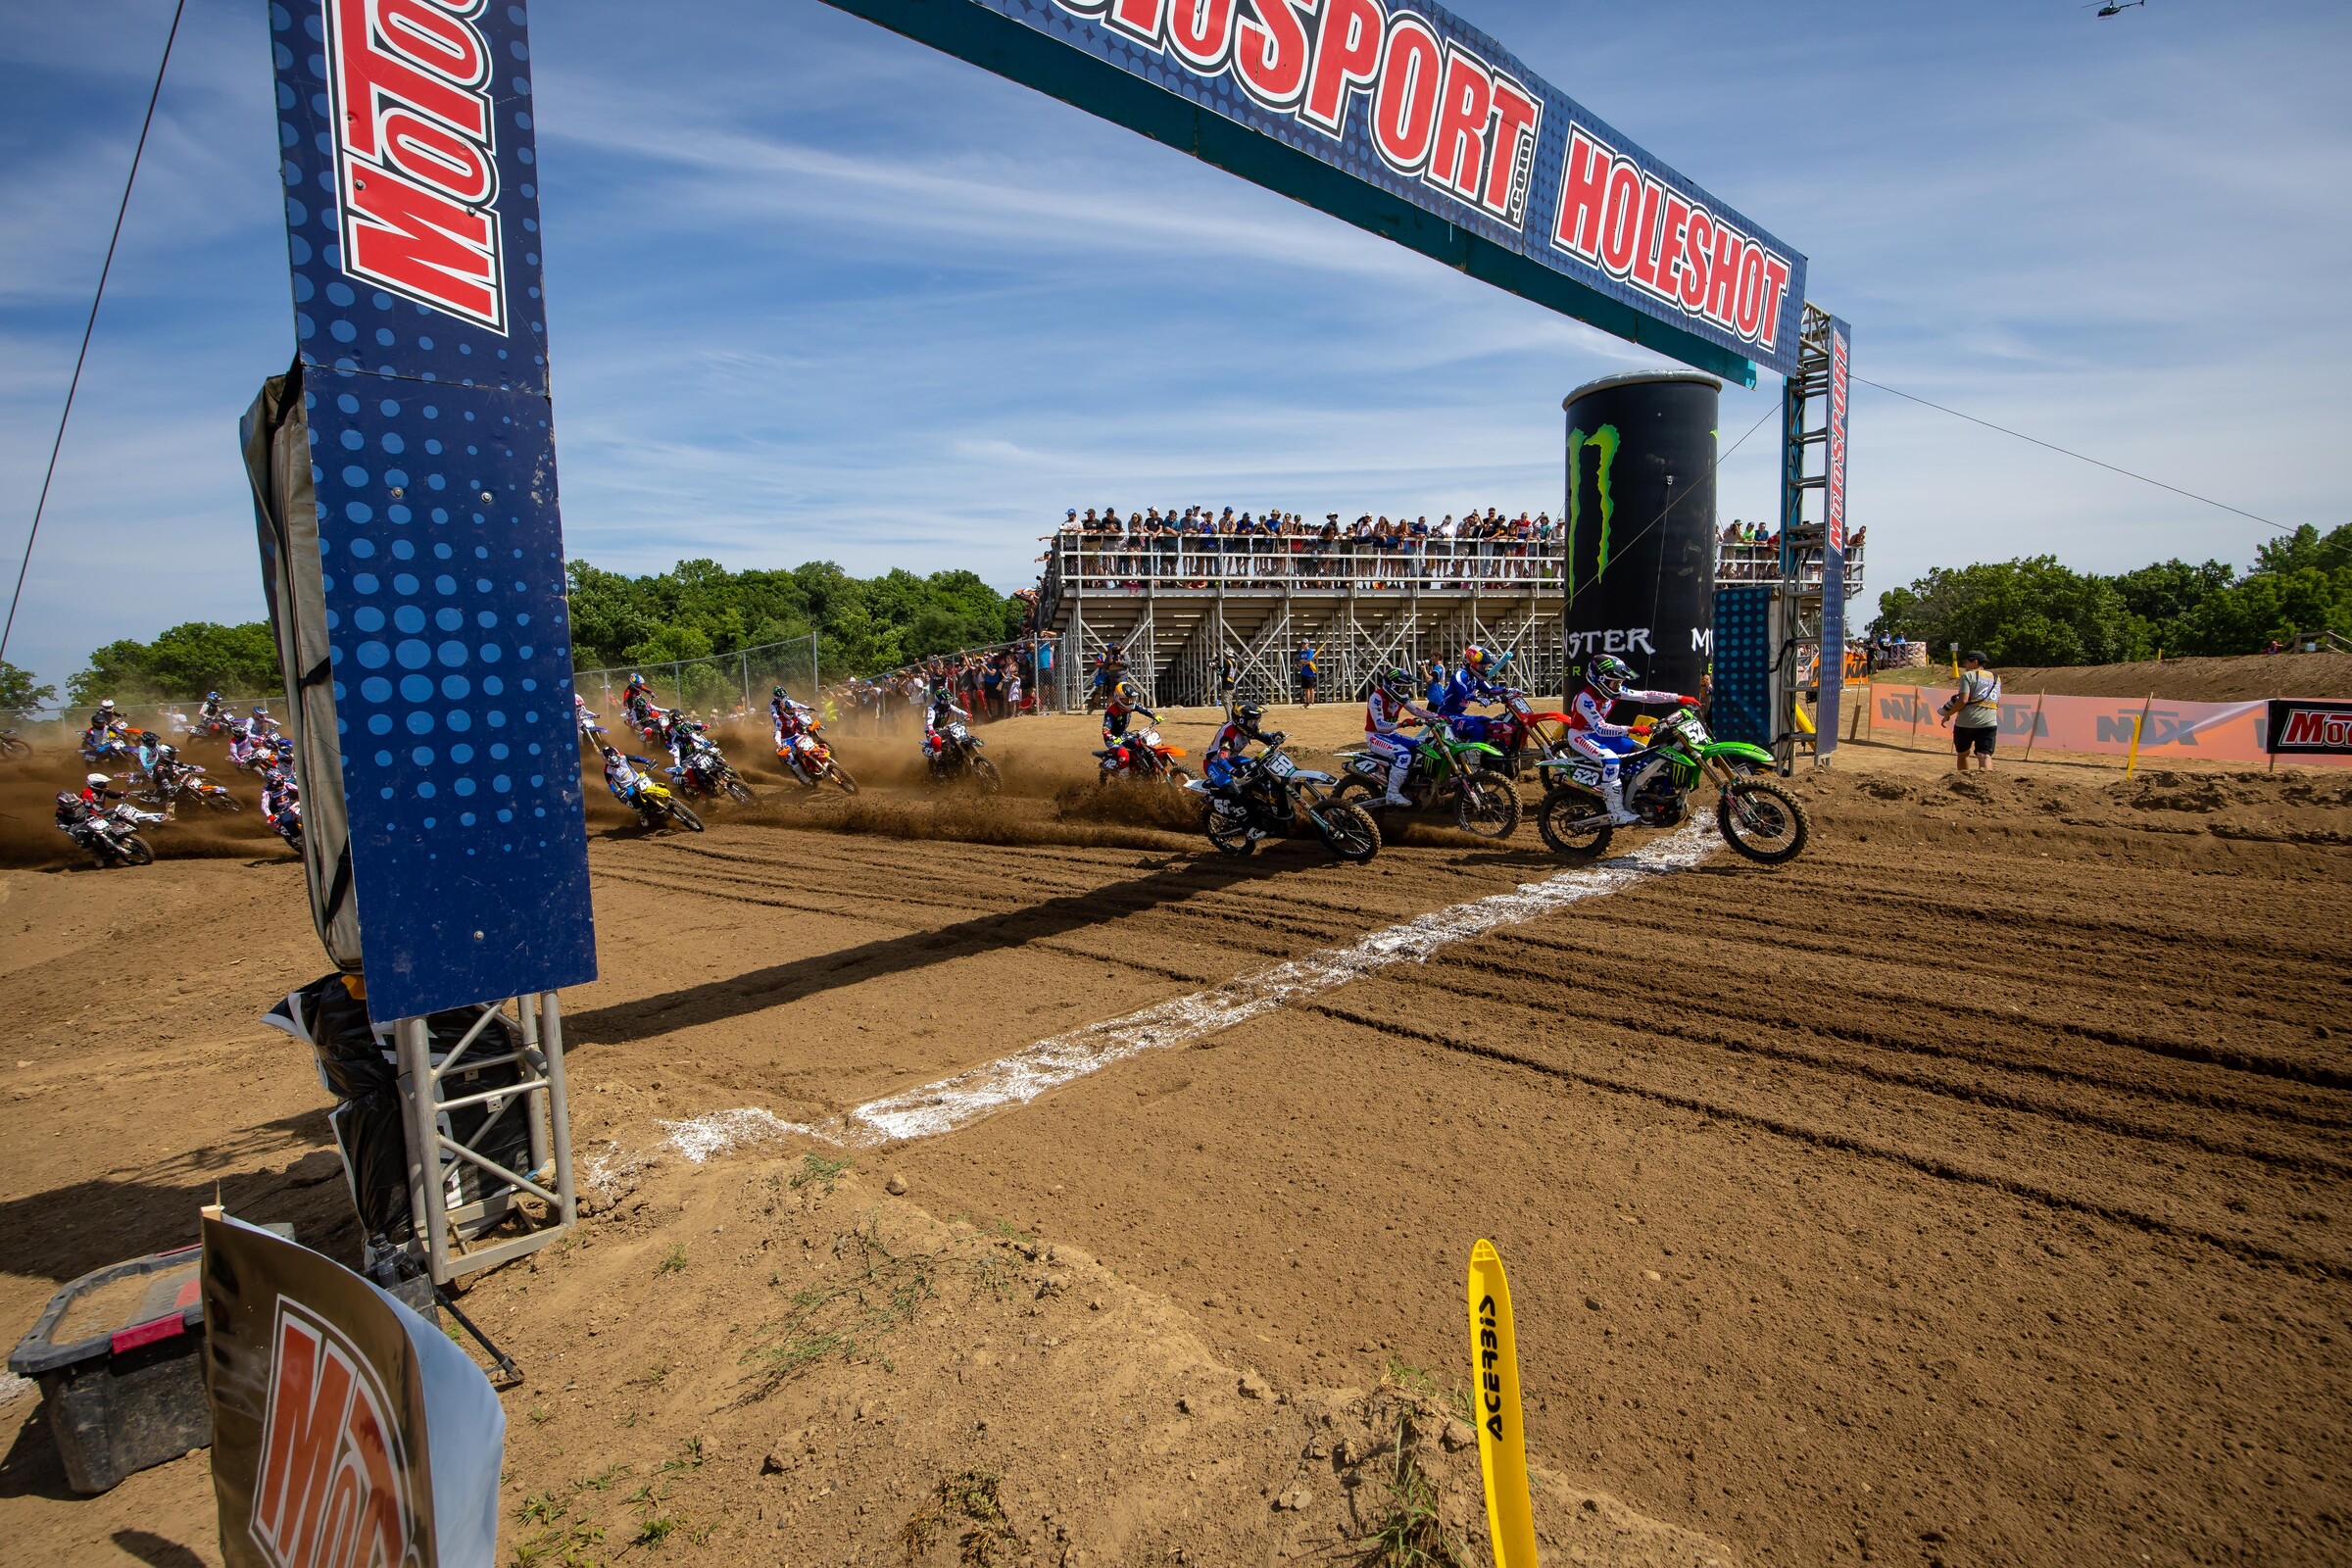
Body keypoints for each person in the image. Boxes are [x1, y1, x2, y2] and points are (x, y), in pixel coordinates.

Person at [1562, 654, 1696, 826]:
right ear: (1600, 680)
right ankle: (1616, 812)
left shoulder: (1614, 692)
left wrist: (1678, 698)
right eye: (1615, 682)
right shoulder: (1585, 698)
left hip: (1600, 735)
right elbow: (1601, 727)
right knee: (1611, 761)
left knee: (1641, 753)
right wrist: (1631, 729)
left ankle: (1631, 793)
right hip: (1581, 735)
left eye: (1619, 682)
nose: (1618, 686)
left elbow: (1645, 695)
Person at [1363, 666, 1443, 807]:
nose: (1405, 691)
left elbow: (1416, 710)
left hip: (1391, 735)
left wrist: (1438, 717)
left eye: (1407, 688)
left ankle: (1411, 783)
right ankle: (1392, 794)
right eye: (1403, 688)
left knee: (1421, 747)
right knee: (1403, 755)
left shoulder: (1400, 697)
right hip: (1375, 736)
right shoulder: (1377, 697)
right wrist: (1402, 724)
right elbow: (1380, 725)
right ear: (1392, 686)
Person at [1938, 651, 2001, 771]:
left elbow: (1963, 700)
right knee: (1985, 755)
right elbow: (1997, 702)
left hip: (1966, 722)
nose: (1965, 665)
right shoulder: (1996, 678)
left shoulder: (1968, 676)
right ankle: (1986, 781)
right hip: (1989, 722)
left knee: (1963, 753)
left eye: (1967, 662)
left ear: (1975, 662)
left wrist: (1948, 714)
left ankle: (1964, 779)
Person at [1099, 680, 1158, 771]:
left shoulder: (1132, 705)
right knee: (1124, 756)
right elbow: (1105, 730)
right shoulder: (1111, 711)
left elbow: (1144, 710)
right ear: (1119, 699)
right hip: (1112, 739)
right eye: (1127, 699)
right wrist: (1112, 738)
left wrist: (1154, 716)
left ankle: (1141, 767)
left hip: (1124, 734)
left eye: (1132, 699)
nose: (1131, 702)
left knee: (1144, 745)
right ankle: (1125, 777)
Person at [1296, 642, 1318, 707]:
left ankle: (1312, 703)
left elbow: (1308, 661)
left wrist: (1303, 662)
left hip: (1310, 673)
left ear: (1307, 644)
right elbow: (1299, 663)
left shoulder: (1310, 651)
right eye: (1302, 644)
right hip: (1303, 672)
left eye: (1304, 644)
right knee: (1306, 688)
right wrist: (1303, 662)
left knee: (1311, 688)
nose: (1303, 645)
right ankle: (1307, 702)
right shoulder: (1302, 652)